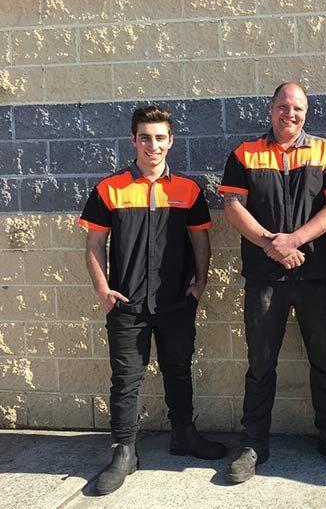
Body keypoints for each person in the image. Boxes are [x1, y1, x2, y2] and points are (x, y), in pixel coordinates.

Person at [79, 105, 226, 496]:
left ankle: (184, 436)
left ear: (171, 141)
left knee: (179, 369)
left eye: (160, 137)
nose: (153, 145)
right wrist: (102, 289)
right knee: (126, 380)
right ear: (133, 140)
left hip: (176, 302)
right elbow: (94, 242)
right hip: (126, 304)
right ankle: (124, 451)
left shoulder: (188, 190)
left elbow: (200, 238)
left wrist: (200, 284)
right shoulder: (109, 189)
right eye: (145, 137)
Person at [219, 82, 326, 483]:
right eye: (283, 106)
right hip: (265, 276)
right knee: (260, 362)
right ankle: (253, 444)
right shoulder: (244, 153)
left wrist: (294, 241)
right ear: (270, 109)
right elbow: (232, 206)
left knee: (325, 361)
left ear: (306, 112)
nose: (290, 114)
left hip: (315, 274)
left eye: (297, 108)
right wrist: (272, 244)